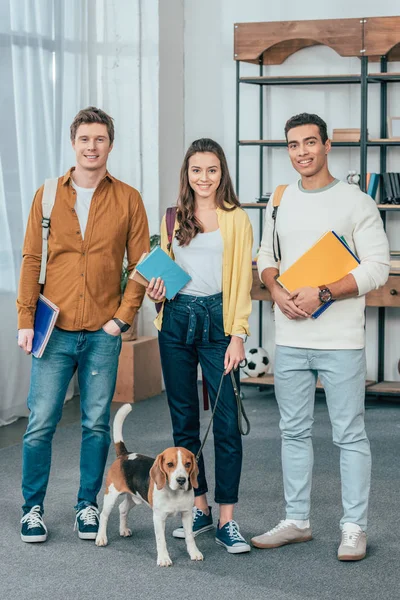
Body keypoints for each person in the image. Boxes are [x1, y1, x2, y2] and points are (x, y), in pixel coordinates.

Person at [251, 113, 390, 561]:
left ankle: (354, 528)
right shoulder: (281, 199)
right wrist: (274, 289)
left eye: (310, 143)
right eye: (294, 145)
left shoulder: (356, 201)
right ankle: (297, 521)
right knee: (292, 431)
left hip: (341, 340)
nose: (302, 152)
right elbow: (265, 256)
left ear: (327, 145)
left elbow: (377, 268)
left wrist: (325, 291)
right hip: (290, 336)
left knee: (349, 434)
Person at [17, 107, 150, 543]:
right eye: (84, 139)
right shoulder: (48, 195)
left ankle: (87, 505)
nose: (92, 147)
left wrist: (121, 319)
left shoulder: (129, 198)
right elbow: (31, 260)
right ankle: (32, 508)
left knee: (95, 423)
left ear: (110, 145)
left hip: (101, 333)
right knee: (40, 422)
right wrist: (25, 320)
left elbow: (141, 264)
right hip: (53, 330)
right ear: (73, 144)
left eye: (100, 139)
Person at [146, 138, 253, 554]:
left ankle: (227, 519)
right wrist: (157, 289)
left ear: (221, 173)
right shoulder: (173, 217)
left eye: (211, 170)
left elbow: (242, 280)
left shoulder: (237, 219)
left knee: (225, 425)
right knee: (184, 425)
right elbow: (166, 276)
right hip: (175, 321)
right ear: (186, 174)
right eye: (196, 170)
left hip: (218, 323)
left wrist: (238, 334)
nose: (204, 178)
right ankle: (200, 508)